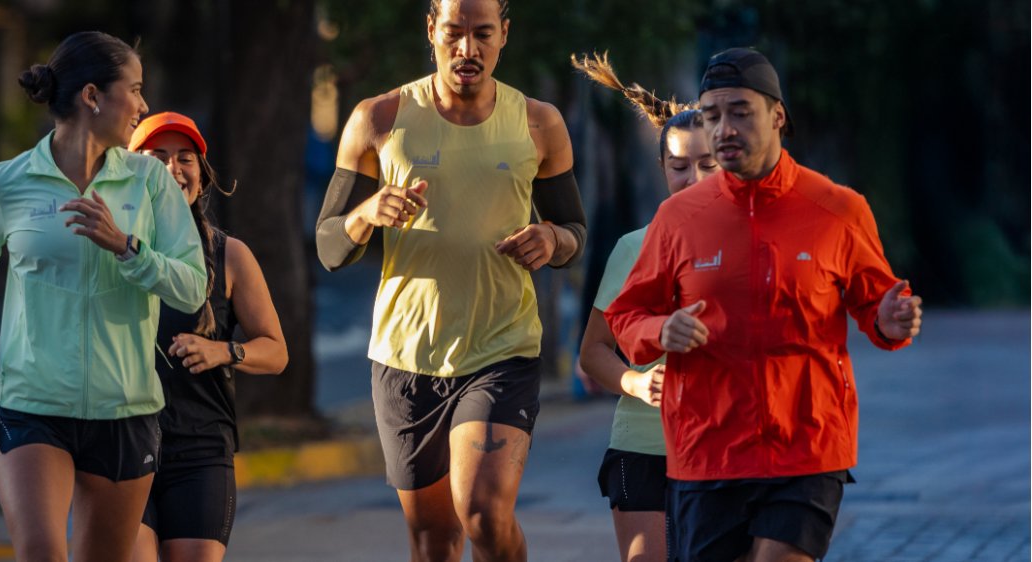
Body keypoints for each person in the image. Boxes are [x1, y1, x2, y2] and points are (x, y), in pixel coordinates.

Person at [606, 47, 924, 562]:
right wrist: (661, 330)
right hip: (706, 450)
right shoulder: (678, 218)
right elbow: (625, 317)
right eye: (712, 116)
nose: (724, 128)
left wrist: (891, 318)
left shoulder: (838, 208)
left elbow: (879, 303)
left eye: (740, 112)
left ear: (777, 115)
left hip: (808, 447)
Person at [314, 1, 586, 560]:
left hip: (501, 349)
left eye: (483, 34)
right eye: (454, 33)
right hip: (405, 357)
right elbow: (329, 246)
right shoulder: (378, 118)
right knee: (435, 540)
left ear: (504, 35)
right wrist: (366, 215)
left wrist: (553, 240)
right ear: (431, 31)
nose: (468, 50)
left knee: (484, 512)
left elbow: (575, 230)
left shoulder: (538, 122)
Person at [0, 31, 207, 562]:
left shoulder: (149, 181)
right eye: (135, 88)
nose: (144, 105)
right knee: (40, 552)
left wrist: (128, 248)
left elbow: (193, 287)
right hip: (31, 402)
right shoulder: (8, 181)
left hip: (124, 409)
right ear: (92, 96)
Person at [572, 52, 717, 562]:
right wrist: (634, 382)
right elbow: (592, 352)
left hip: (725, 452)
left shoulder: (752, 243)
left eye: (708, 165)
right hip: (642, 445)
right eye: (679, 167)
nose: (694, 179)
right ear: (661, 168)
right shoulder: (634, 247)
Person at [126, 112, 288, 562]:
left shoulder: (229, 255)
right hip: (122, 441)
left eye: (185, 158)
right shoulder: (112, 250)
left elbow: (276, 352)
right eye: (156, 158)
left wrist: (223, 350)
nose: (174, 169)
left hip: (199, 448)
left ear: (202, 174)